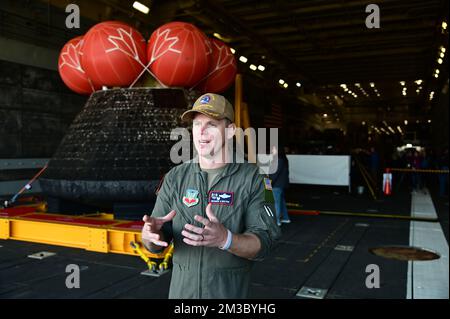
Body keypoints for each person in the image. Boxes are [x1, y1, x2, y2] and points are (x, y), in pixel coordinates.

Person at [141, 93, 281, 299]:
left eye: (212, 124)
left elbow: (266, 241)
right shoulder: (174, 177)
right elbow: (157, 242)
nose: (202, 131)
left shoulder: (257, 179)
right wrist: (149, 237)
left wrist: (226, 239)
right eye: (197, 124)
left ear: (231, 131)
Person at [269, 145, 291, 226]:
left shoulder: (278, 160)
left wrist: (269, 183)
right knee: (281, 202)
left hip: (276, 185)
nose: (272, 150)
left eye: (274, 149)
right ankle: (285, 218)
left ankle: (276, 221)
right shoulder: (283, 159)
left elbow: (274, 174)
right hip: (281, 184)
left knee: (276, 203)